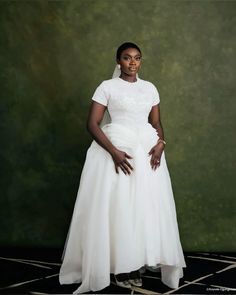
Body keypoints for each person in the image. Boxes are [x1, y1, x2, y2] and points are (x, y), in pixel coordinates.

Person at [59, 42, 187, 294]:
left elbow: (156, 122)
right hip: (117, 150)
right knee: (120, 207)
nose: (132, 62)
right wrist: (114, 152)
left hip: (147, 153)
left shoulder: (149, 88)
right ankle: (120, 267)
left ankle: (135, 261)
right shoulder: (107, 87)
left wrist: (161, 143)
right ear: (118, 61)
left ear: (141, 61)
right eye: (127, 58)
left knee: (143, 208)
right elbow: (93, 124)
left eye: (137, 58)